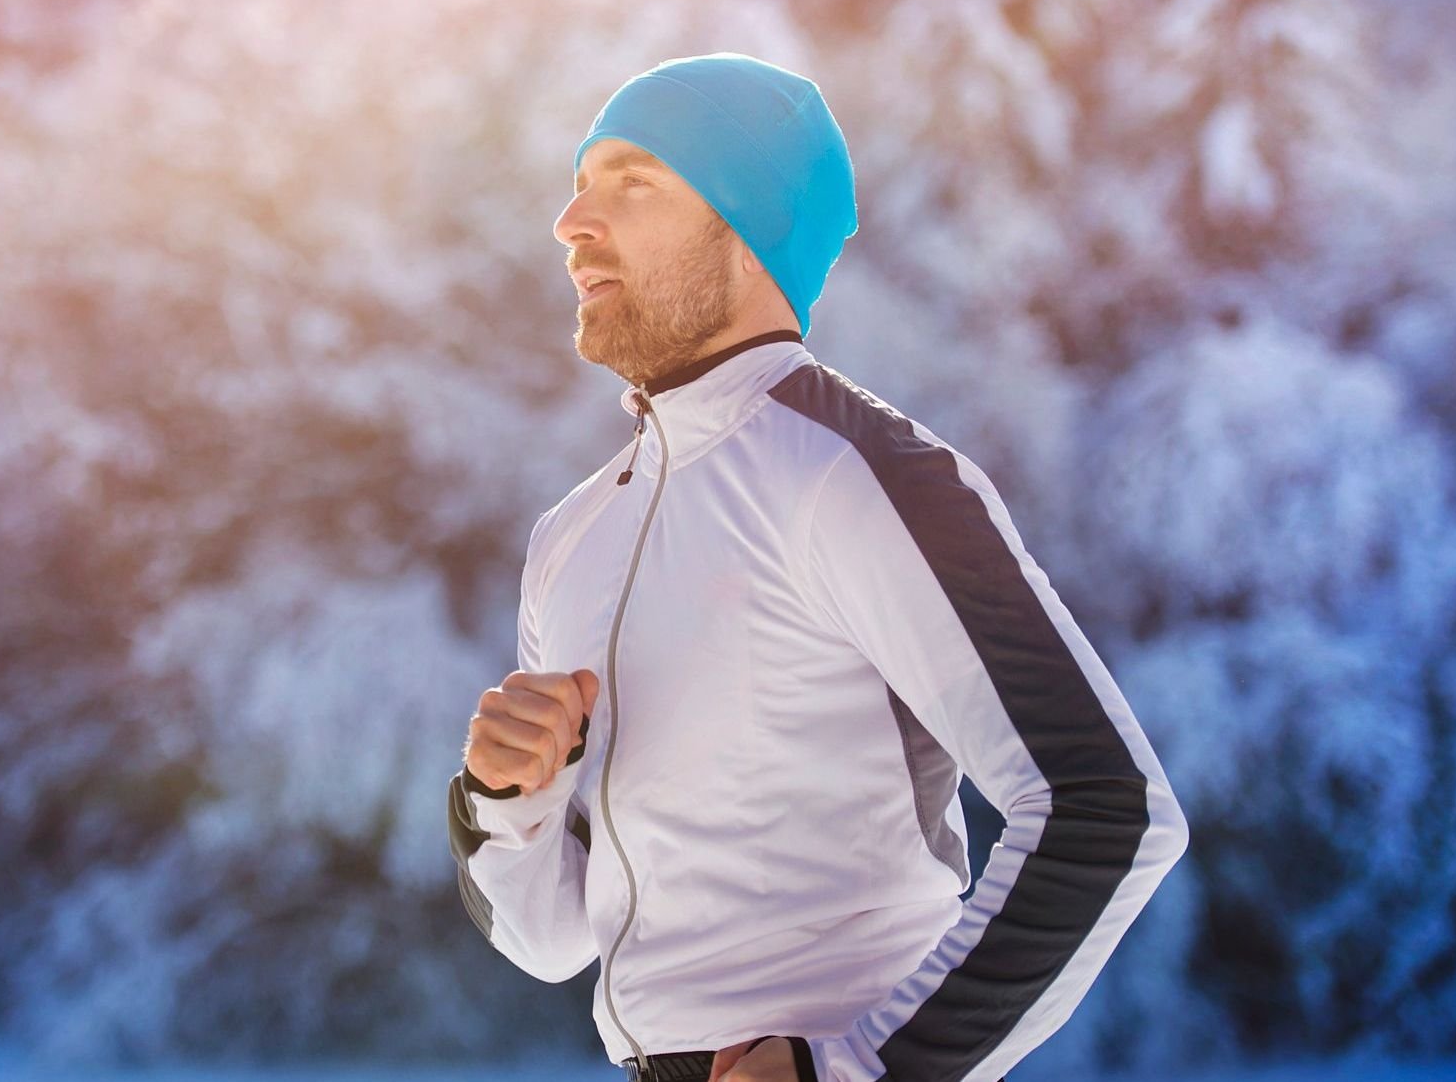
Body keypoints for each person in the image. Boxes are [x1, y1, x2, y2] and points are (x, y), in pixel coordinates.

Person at [444, 53, 1189, 1082]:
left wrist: (855, 1069)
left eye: (630, 183)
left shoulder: (857, 472)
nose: (571, 225)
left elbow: (1104, 805)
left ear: (744, 226)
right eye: (577, 187)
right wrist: (503, 804)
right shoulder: (572, 536)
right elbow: (552, 938)